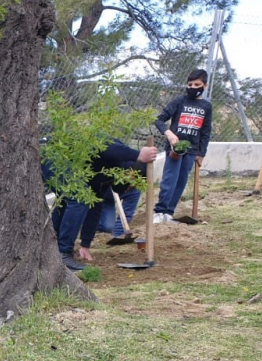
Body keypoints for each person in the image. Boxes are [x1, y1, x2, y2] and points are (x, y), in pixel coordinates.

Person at [49, 139, 158, 269]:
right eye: (132, 183)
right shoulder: (115, 156)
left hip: (68, 167)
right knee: (78, 198)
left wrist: (85, 244)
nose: (130, 188)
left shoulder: (104, 177)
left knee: (70, 200)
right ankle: (64, 254)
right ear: (131, 173)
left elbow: (95, 206)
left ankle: (50, 248)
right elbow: (108, 146)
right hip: (52, 155)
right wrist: (138, 154)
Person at [153, 68, 212, 223]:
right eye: (190, 84)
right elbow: (159, 120)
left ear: (204, 86)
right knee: (170, 179)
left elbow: (205, 131)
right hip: (175, 148)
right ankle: (159, 211)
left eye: (196, 84)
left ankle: (169, 213)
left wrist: (201, 153)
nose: (192, 87)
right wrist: (169, 134)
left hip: (192, 149)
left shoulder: (206, 106)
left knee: (181, 181)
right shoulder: (179, 101)